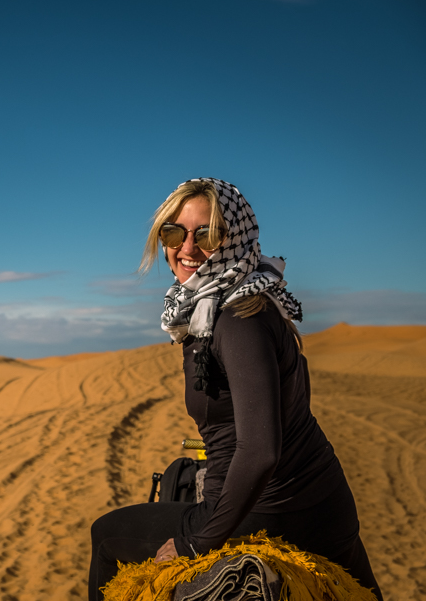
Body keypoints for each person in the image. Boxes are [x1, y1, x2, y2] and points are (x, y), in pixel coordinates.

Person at [88, 178, 382, 600]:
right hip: (321, 501)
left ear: (234, 238)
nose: (187, 249)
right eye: (174, 233)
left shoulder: (235, 319)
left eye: (207, 235)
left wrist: (200, 541)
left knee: (106, 535)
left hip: (265, 510)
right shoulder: (247, 302)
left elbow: (261, 451)